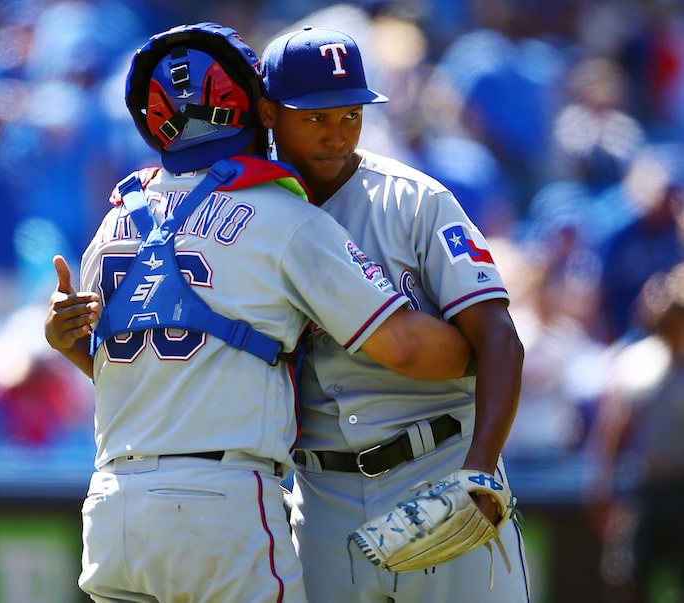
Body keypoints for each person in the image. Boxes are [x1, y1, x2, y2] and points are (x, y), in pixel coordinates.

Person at [44, 22, 472, 603]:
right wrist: (489, 350)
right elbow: (405, 346)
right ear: (256, 107)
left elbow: (124, 361)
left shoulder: (119, 218)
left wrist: (63, 338)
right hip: (222, 506)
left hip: (113, 507)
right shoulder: (280, 215)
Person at [257, 26, 531, 602]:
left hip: (437, 466)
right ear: (269, 114)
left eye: (349, 115)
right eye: (314, 118)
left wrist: (479, 469)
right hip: (320, 495)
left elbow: (501, 338)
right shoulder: (248, 217)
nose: (336, 135)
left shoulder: (415, 200)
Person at [589, 263, 684, 603]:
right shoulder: (639, 362)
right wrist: (604, 487)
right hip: (645, 489)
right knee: (626, 578)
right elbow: (615, 430)